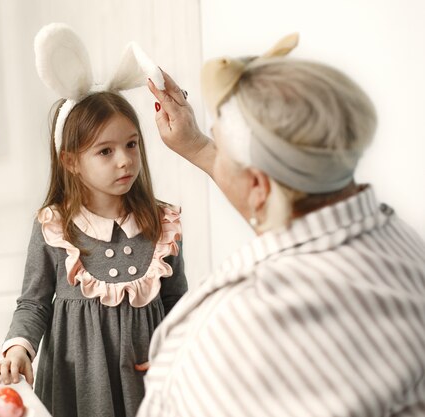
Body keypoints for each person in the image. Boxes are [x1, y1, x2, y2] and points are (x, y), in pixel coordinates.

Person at [137, 33, 425, 417]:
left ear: (258, 185)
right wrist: (199, 146)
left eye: (220, 144)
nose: (215, 151)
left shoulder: (234, 331)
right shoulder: (404, 246)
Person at [0, 24, 188, 417]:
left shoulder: (162, 223)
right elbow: (34, 303)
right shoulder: (54, 227)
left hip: (148, 386)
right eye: (105, 151)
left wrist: (183, 353)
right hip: (77, 387)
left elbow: (176, 301)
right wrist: (17, 347)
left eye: (131, 144)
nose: (125, 160)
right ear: (71, 161)